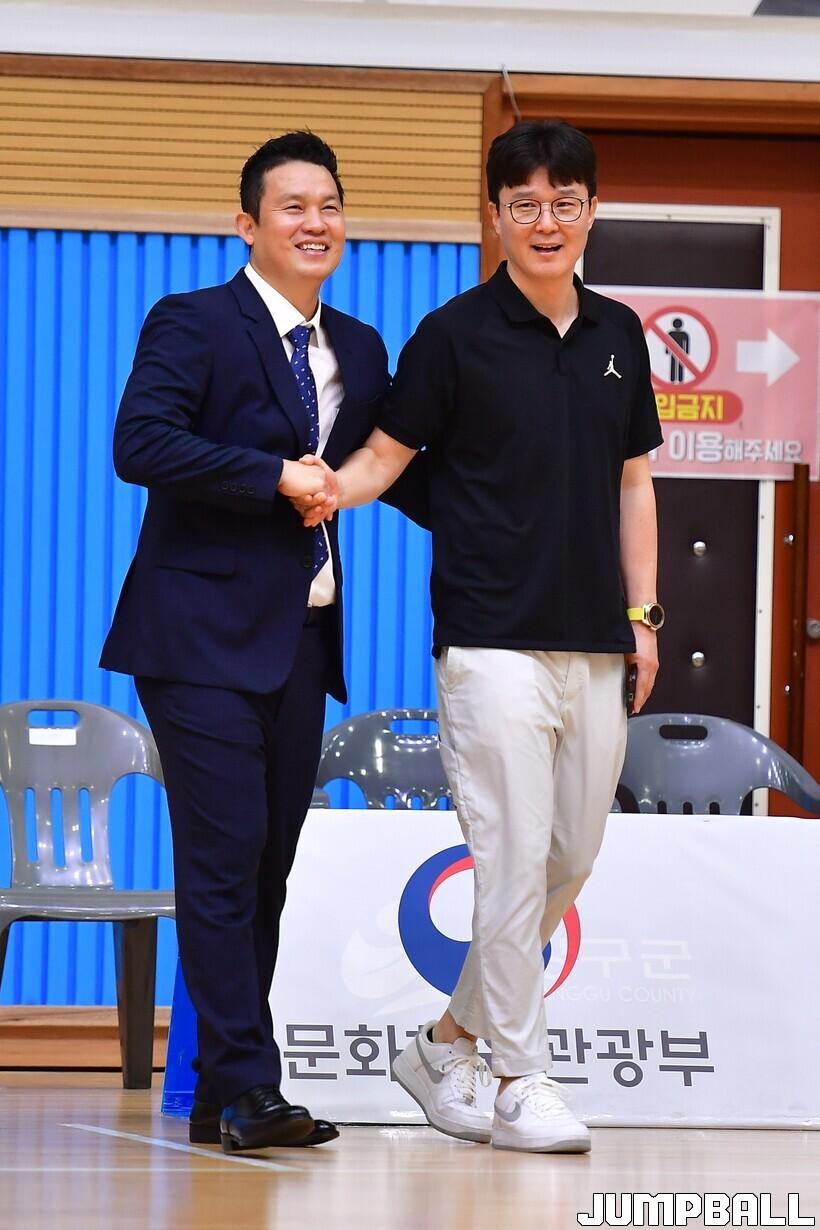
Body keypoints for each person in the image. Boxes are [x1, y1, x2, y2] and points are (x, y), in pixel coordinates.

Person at [298, 119, 664, 1154]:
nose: (546, 223)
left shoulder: (619, 334)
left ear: (591, 211)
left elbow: (635, 483)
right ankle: (519, 1077)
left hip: (596, 639)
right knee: (507, 859)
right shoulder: (452, 335)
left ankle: (443, 1042)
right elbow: (384, 457)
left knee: (568, 855)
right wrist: (323, 490)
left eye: (564, 203)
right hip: (489, 638)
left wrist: (642, 618)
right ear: (495, 216)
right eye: (524, 205)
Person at [100, 131, 424, 1154]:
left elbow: (386, 468)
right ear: (248, 224)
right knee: (224, 858)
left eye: (329, 205)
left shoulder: (359, 347)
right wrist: (272, 475)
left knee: (266, 870)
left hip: (300, 640)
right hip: (195, 637)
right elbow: (140, 442)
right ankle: (249, 1085)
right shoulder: (194, 321)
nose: (314, 222)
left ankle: (219, 1091)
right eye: (292, 206)